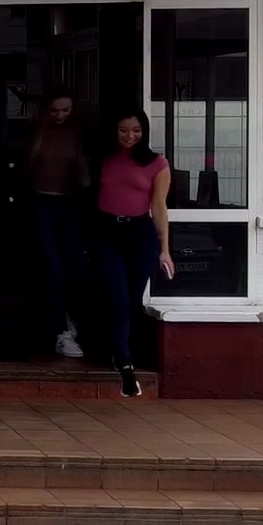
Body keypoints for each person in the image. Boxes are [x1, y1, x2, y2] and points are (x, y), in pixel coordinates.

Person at [95, 108, 174, 397]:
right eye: (123, 130)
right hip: (107, 232)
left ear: (145, 132)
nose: (130, 136)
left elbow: (160, 207)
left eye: (136, 130)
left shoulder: (157, 163)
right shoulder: (103, 158)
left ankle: (121, 350)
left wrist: (165, 250)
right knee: (116, 296)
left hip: (140, 234)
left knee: (131, 301)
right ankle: (125, 364)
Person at [27, 90, 89, 358]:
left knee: (75, 268)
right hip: (40, 204)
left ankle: (68, 320)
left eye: (65, 110)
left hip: (69, 204)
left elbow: (84, 175)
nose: (60, 115)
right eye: (54, 110)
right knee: (51, 270)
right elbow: (24, 170)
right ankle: (59, 331)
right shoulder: (36, 133)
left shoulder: (78, 135)